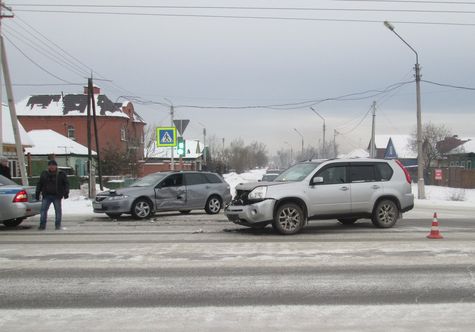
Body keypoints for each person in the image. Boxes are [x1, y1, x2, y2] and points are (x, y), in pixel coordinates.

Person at [36, 160, 69, 230]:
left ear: (56, 166)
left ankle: (57, 225)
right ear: (48, 166)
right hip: (46, 195)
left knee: (58, 211)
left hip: (57, 195)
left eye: (53, 165)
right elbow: (39, 184)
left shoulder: (61, 174)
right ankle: (42, 225)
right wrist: (37, 193)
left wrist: (66, 193)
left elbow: (66, 184)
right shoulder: (44, 173)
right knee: (43, 211)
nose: (51, 167)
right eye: (50, 165)